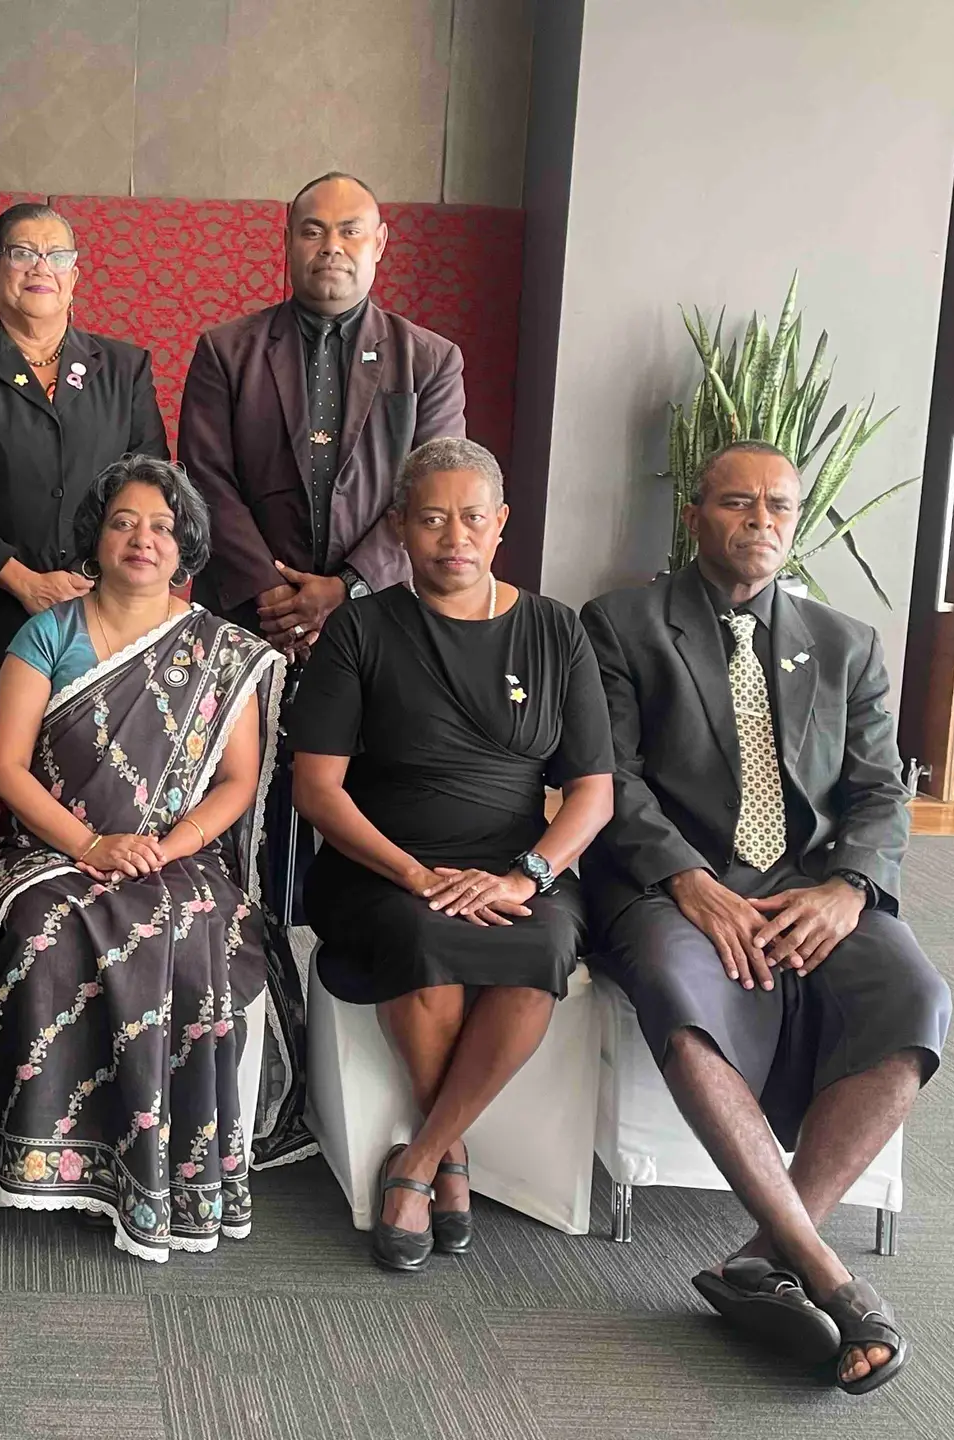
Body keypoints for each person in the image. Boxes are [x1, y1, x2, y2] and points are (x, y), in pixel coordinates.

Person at [582, 440, 949, 1395]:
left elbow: (881, 792)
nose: (760, 522)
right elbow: (609, 776)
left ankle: (762, 1256)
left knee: (915, 999)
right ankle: (826, 1272)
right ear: (695, 516)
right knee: (679, 990)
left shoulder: (846, 642)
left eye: (778, 506)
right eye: (737, 503)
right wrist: (688, 879)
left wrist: (849, 888)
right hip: (669, 883)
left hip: (811, 885)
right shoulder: (622, 623)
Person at [290, 437, 614, 1273]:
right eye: (432, 519)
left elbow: (593, 793)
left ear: (502, 523)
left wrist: (526, 877)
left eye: (472, 518)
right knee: (423, 936)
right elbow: (317, 789)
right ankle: (452, 1158)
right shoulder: (361, 627)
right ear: (400, 526)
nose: (454, 537)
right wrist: (413, 873)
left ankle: (425, 1157)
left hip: (515, 865)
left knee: (541, 945)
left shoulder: (557, 630)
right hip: (383, 864)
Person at [0, 455, 286, 1262]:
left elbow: (238, 780)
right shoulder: (48, 632)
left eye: (161, 527)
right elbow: (6, 766)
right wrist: (90, 844)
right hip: (52, 849)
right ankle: (62, 1158)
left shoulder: (219, 650)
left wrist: (160, 848)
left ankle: (168, 1170)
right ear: (97, 536)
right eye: (123, 523)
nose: (142, 539)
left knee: (193, 925)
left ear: (186, 546)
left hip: (176, 854)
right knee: (43, 926)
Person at [178, 170, 469, 960]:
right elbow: (204, 481)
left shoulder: (429, 359)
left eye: (349, 231)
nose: (330, 247)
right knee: (242, 806)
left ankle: (345, 966)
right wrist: (274, 595)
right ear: (287, 242)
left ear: (379, 244)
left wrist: (346, 588)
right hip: (249, 621)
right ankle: (240, 964)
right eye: (313, 230)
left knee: (363, 803)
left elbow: (434, 489)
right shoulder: (227, 350)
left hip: (378, 622)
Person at [0, 201, 169, 673]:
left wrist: (96, 578)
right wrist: (21, 580)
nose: (42, 267)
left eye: (58, 256)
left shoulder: (125, 369)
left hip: (105, 610)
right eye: (22, 253)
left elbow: (151, 490)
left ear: (74, 277)